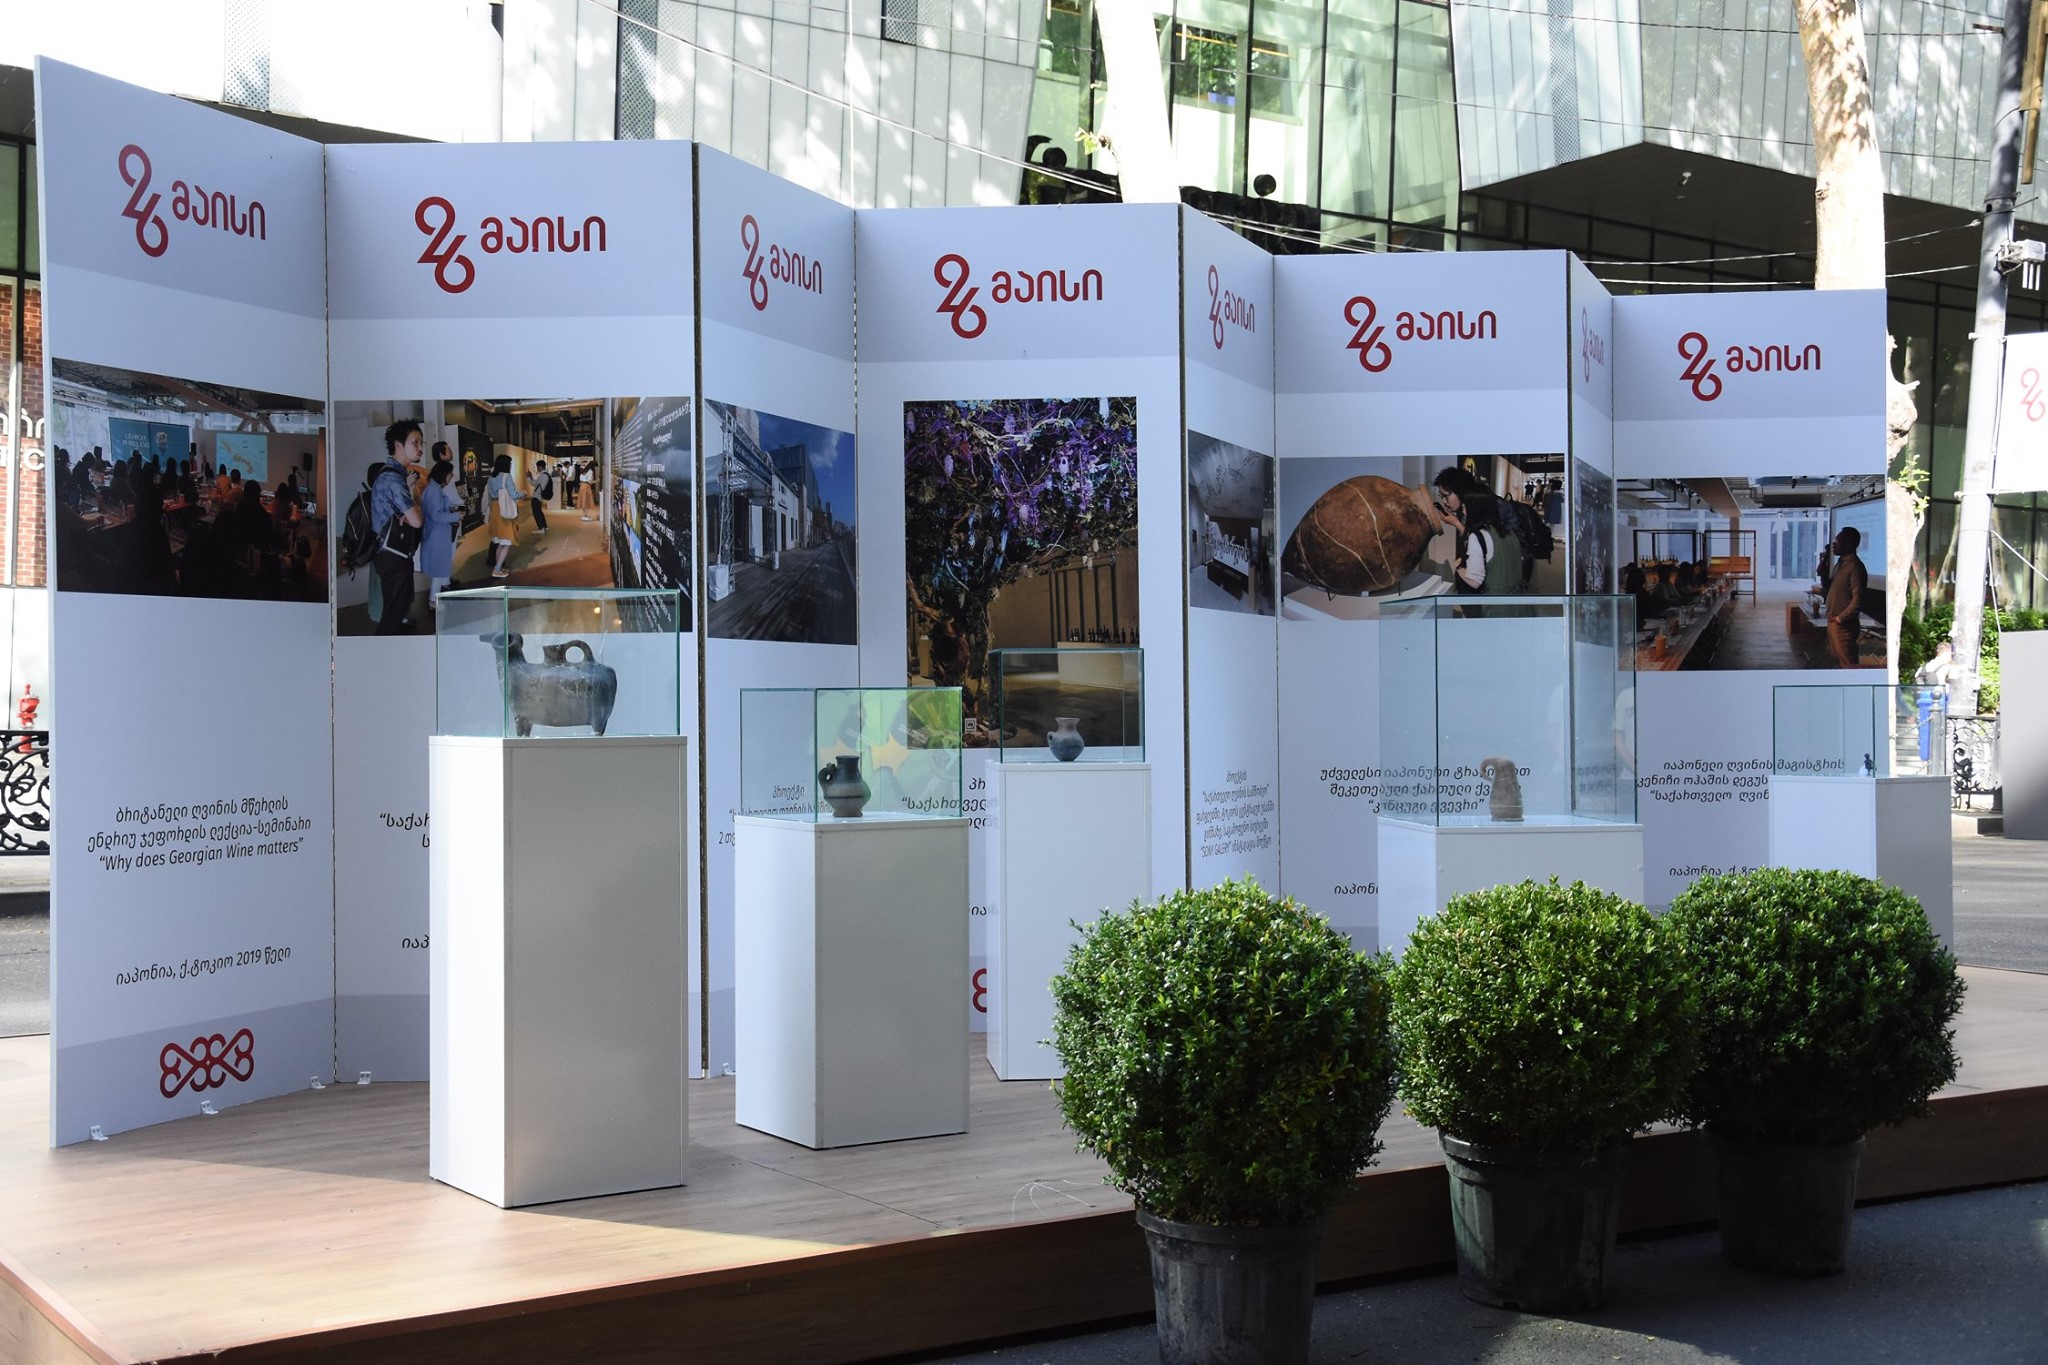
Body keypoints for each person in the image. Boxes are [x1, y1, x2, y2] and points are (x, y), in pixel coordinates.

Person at [371, 420, 426, 633]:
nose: (420, 448)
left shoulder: (395, 475)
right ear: (398, 444)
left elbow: (409, 516)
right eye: (415, 442)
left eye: (421, 442)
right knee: (392, 616)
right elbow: (417, 520)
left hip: (395, 552)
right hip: (392, 556)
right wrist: (413, 512)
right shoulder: (392, 479)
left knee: (397, 608)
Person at [419, 458, 463, 609]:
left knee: (440, 566)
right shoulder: (434, 490)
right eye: (450, 474)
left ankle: (436, 597)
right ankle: (433, 601)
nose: (451, 477)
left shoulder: (434, 488)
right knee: (438, 568)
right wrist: (456, 516)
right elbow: (436, 515)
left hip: (439, 533)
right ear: (443, 474)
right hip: (437, 534)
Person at [1824, 525, 1868, 668]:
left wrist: (1840, 618)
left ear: (1848, 544)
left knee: (1848, 664)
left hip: (1843, 626)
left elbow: (1858, 599)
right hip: (1833, 620)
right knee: (1837, 661)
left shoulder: (1855, 567)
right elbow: (1830, 587)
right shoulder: (1840, 564)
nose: (1833, 545)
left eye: (1837, 542)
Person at [485, 453, 519, 578]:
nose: (510, 465)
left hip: (495, 510)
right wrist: (523, 493)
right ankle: (497, 569)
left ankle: (498, 567)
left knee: (499, 541)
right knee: (506, 541)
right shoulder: (507, 477)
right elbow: (514, 495)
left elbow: (489, 495)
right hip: (505, 510)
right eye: (510, 463)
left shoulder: (491, 478)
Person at [526, 460, 550, 536]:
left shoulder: (543, 476)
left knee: (536, 512)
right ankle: (544, 526)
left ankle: (541, 528)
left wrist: (528, 478)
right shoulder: (546, 474)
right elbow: (537, 483)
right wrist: (531, 477)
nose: (537, 469)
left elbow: (534, 484)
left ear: (540, 467)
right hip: (540, 495)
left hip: (537, 496)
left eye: (537, 467)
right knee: (539, 511)